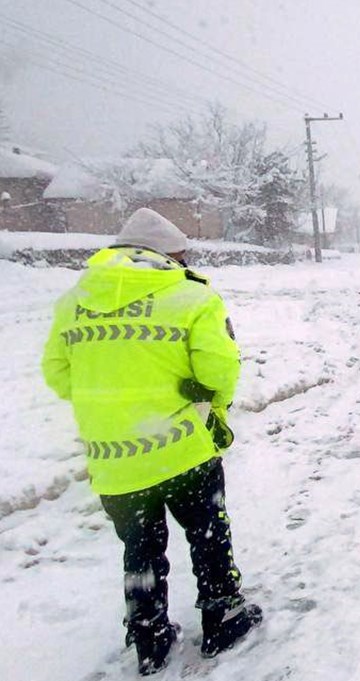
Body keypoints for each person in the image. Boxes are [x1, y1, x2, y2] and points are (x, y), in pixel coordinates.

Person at [41, 208, 261, 676]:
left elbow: (58, 375)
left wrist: (110, 406)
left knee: (139, 546)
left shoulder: (74, 300)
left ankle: (149, 633)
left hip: (114, 458)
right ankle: (222, 614)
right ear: (167, 253)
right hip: (183, 447)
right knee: (207, 533)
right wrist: (212, 405)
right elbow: (219, 369)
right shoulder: (190, 297)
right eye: (181, 254)